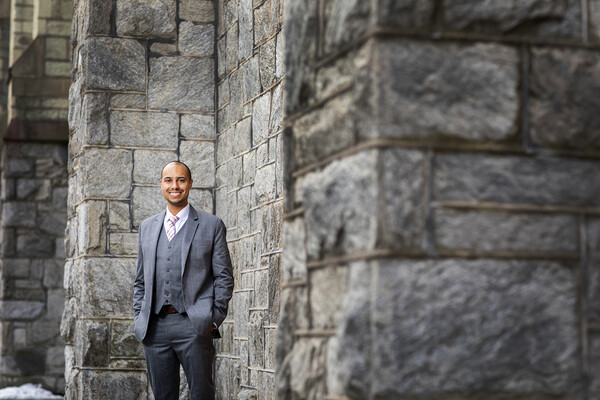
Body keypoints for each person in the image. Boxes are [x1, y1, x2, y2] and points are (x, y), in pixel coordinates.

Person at [133, 161, 234, 400]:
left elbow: (224, 277)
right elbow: (140, 280)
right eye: (168, 180)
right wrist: (139, 315)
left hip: (195, 326)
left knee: (202, 395)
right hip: (154, 328)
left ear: (189, 184)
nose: (174, 185)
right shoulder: (147, 227)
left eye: (180, 180)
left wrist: (213, 319)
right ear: (161, 185)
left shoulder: (211, 225)